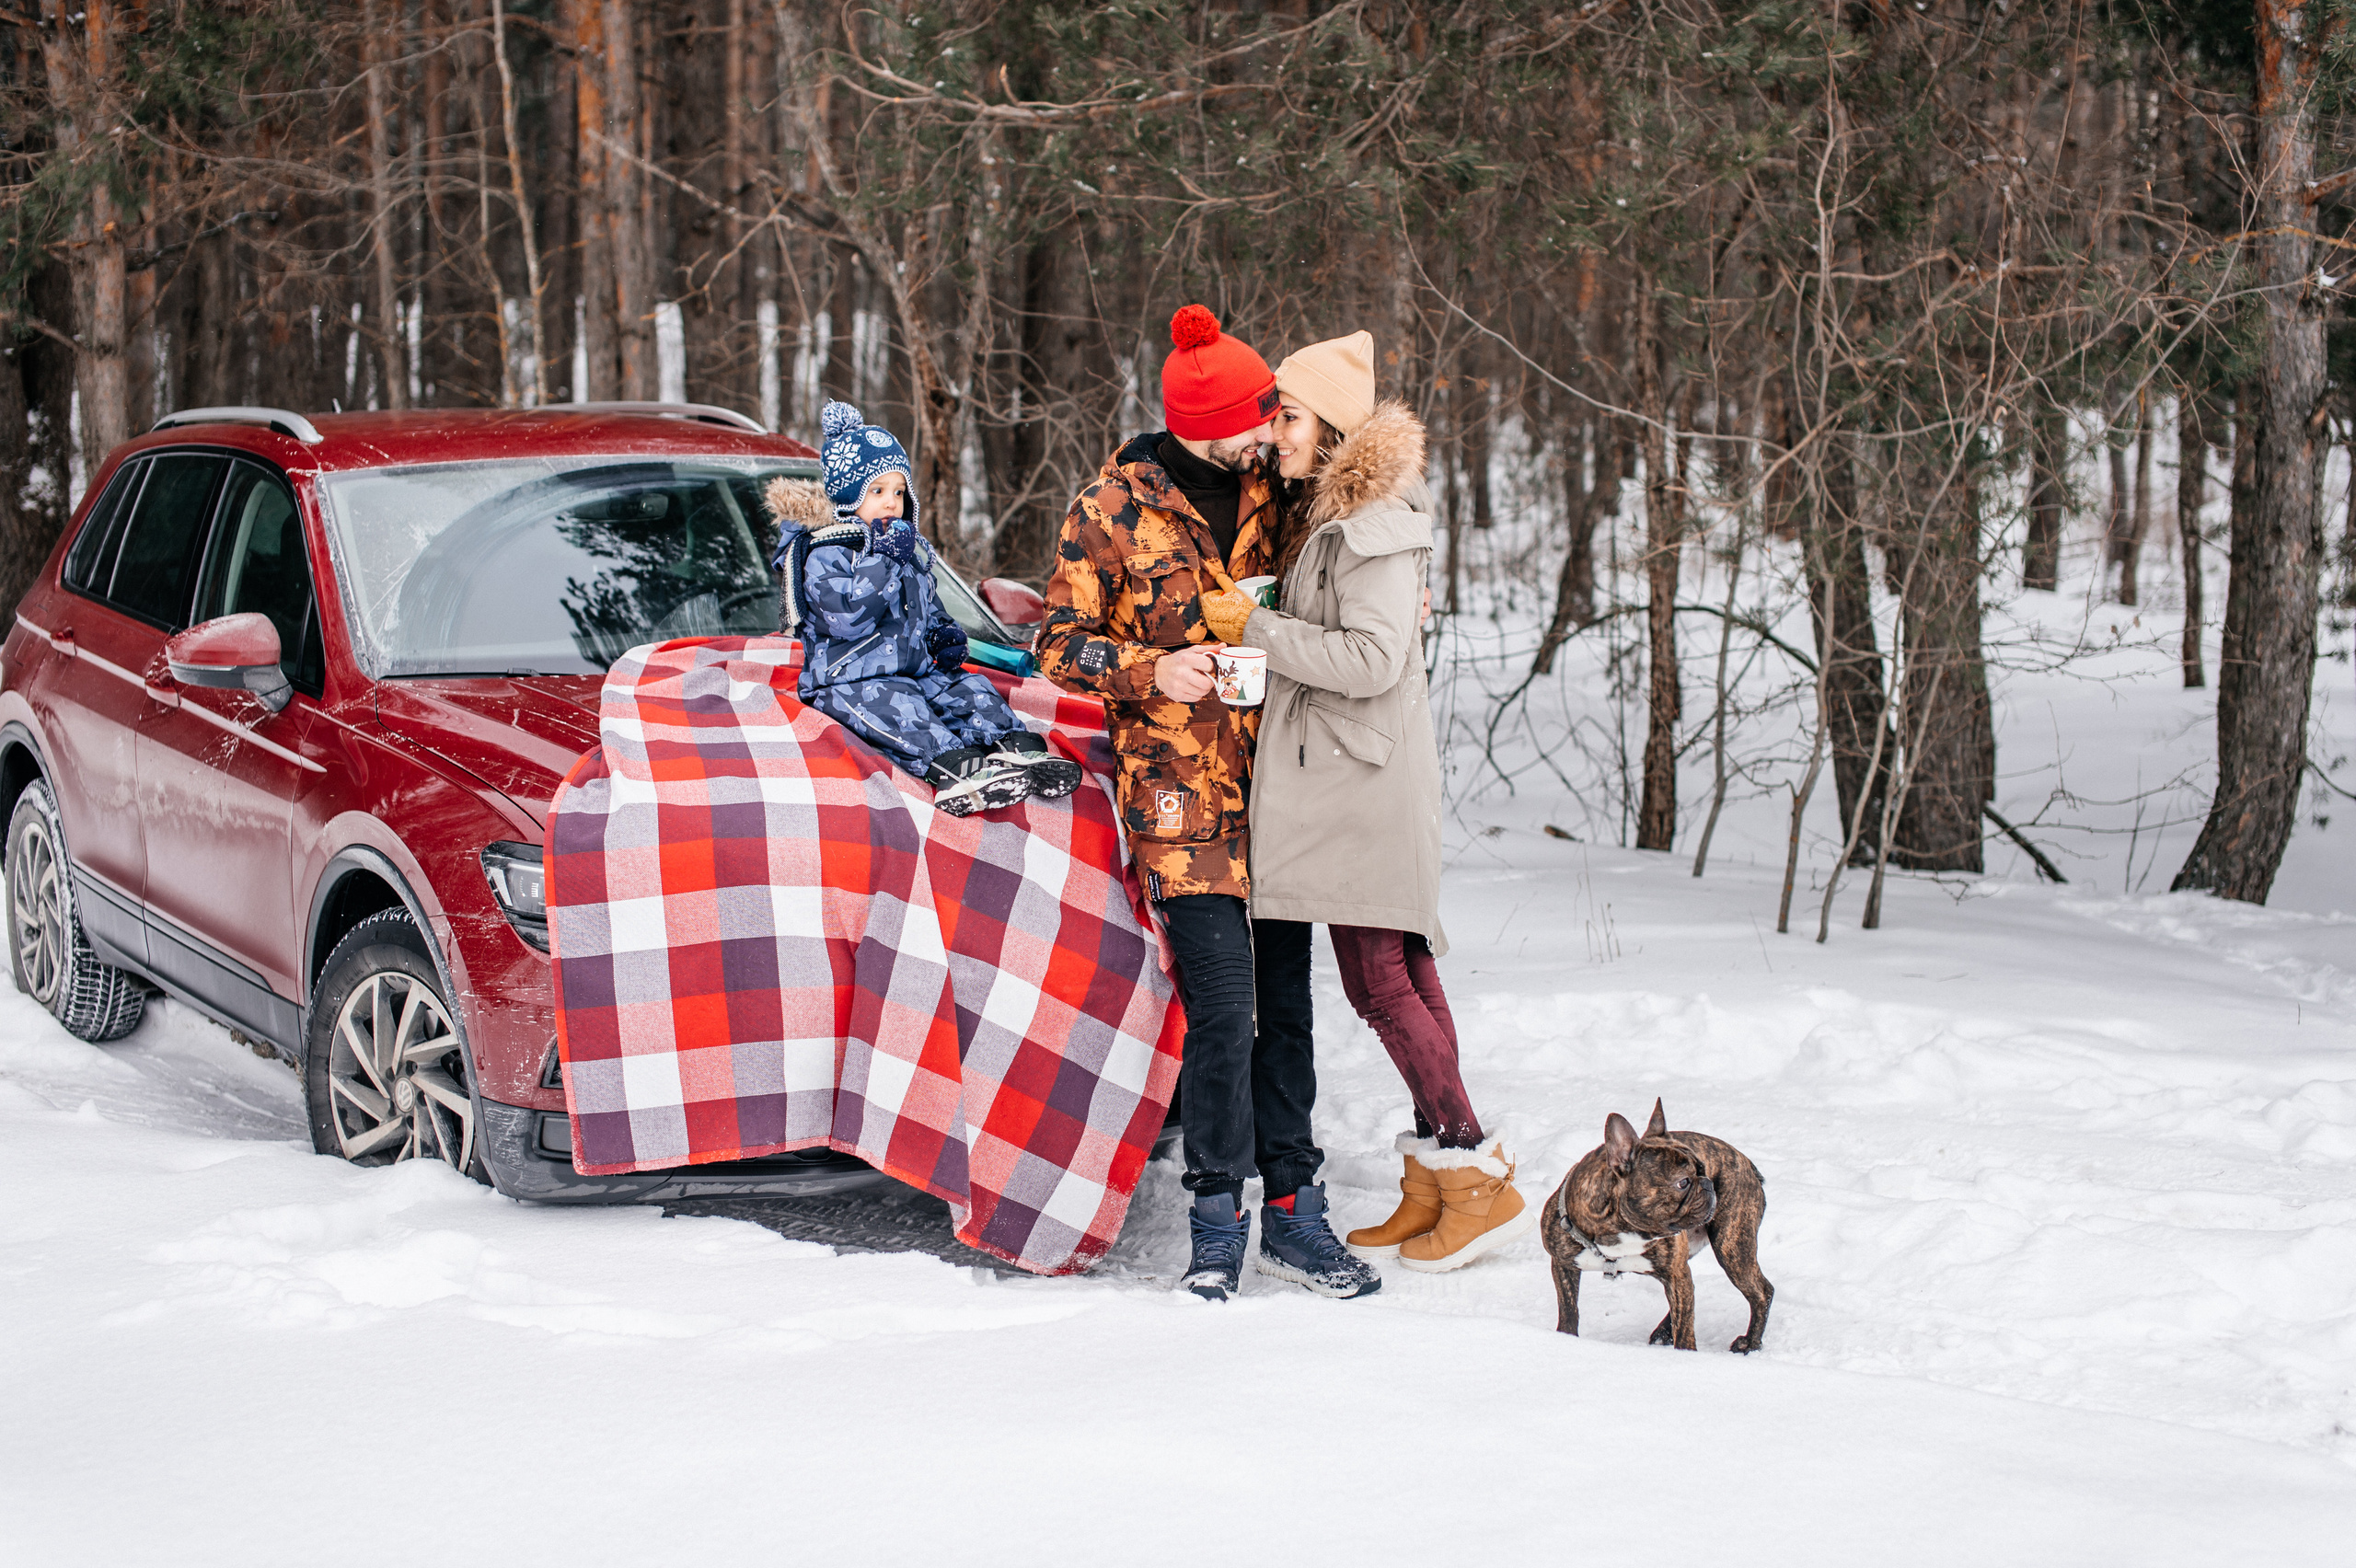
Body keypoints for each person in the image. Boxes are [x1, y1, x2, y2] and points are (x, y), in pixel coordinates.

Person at [1037, 305, 1380, 1303]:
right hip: (1178, 799)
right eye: (1253, 417)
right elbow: (1055, 643)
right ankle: (1215, 1219)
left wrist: (1398, 596)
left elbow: (1365, 543)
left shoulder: (1284, 488)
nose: (1270, 428)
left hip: (1285, 786)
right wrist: (1154, 669)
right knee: (1224, 1012)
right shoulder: (1108, 509)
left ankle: (1294, 1215)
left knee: (1287, 1012)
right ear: (1202, 425)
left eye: (1274, 413)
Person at [1200, 330, 1537, 1272]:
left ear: (1335, 426)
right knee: (1399, 974)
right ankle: (1438, 1179)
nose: (1276, 432)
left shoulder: (1369, 524)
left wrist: (1257, 628)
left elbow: (1372, 659)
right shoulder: (1341, 513)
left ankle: (1474, 1175)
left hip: (1364, 784)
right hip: (1357, 777)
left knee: (1382, 983)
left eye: (1289, 416)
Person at [767, 399, 1080, 815]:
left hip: (914, 669)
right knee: (901, 710)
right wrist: (883, 558)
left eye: (898, 492)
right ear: (847, 497)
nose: (891, 502)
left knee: (970, 690)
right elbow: (847, 617)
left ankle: (1017, 750)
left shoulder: (904, 549)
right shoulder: (826, 553)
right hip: (850, 679)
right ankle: (955, 769)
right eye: (877, 491)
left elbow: (925, 603)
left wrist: (941, 632)